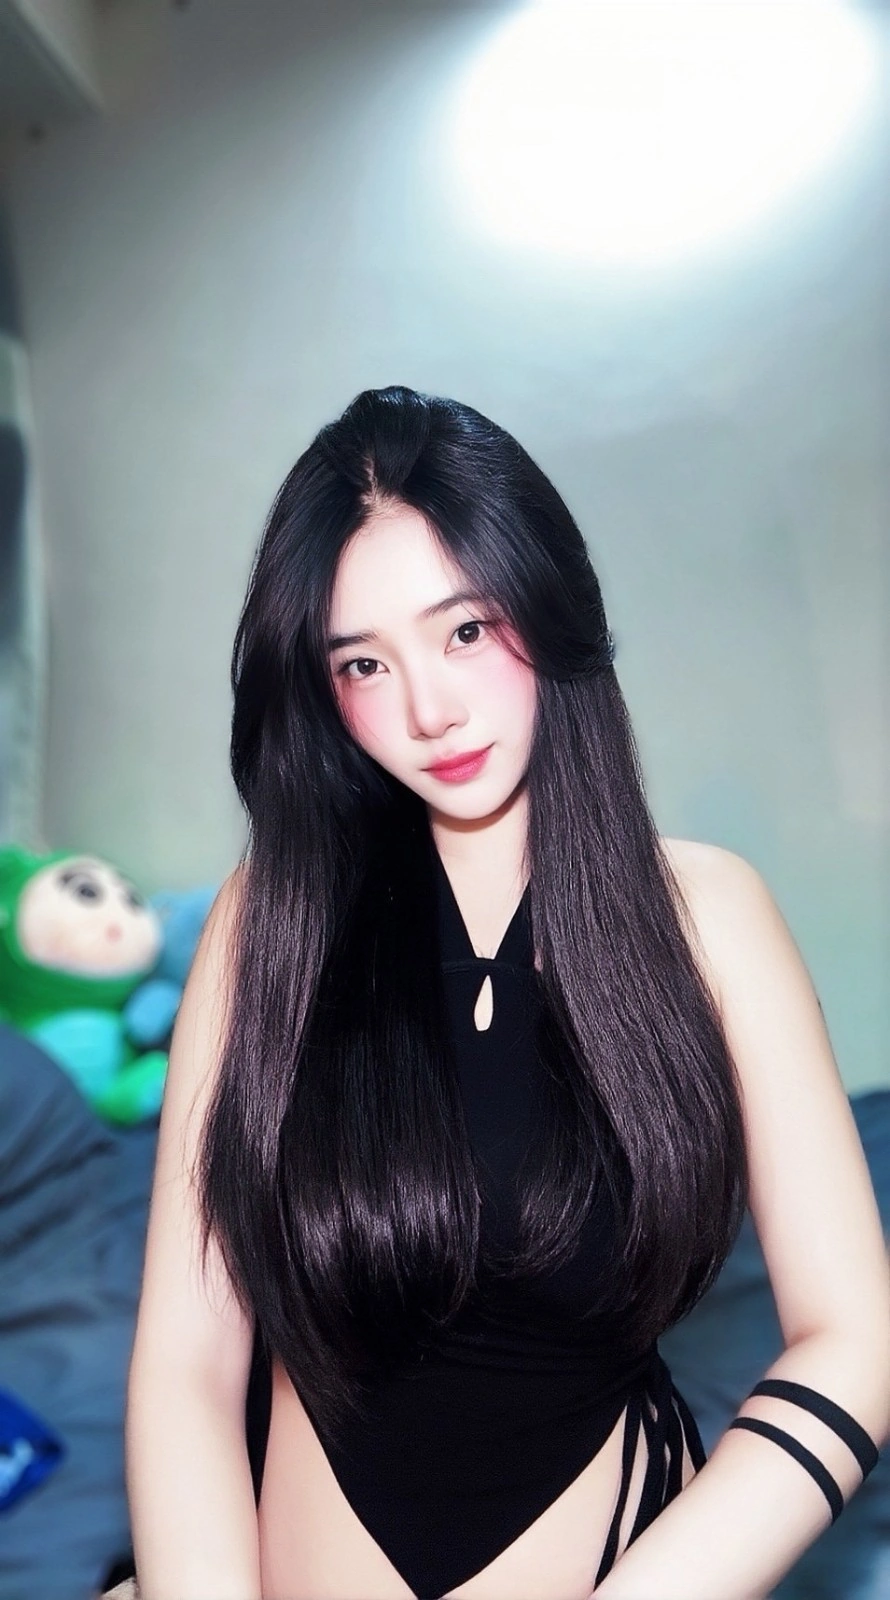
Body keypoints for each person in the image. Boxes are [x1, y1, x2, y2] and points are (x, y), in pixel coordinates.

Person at [124, 385, 890, 1600]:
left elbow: (854, 1342)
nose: (427, 710)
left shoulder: (708, 915)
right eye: (363, 663)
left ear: (544, 598)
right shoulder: (267, 920)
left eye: (465, 631)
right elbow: (186, 1365)